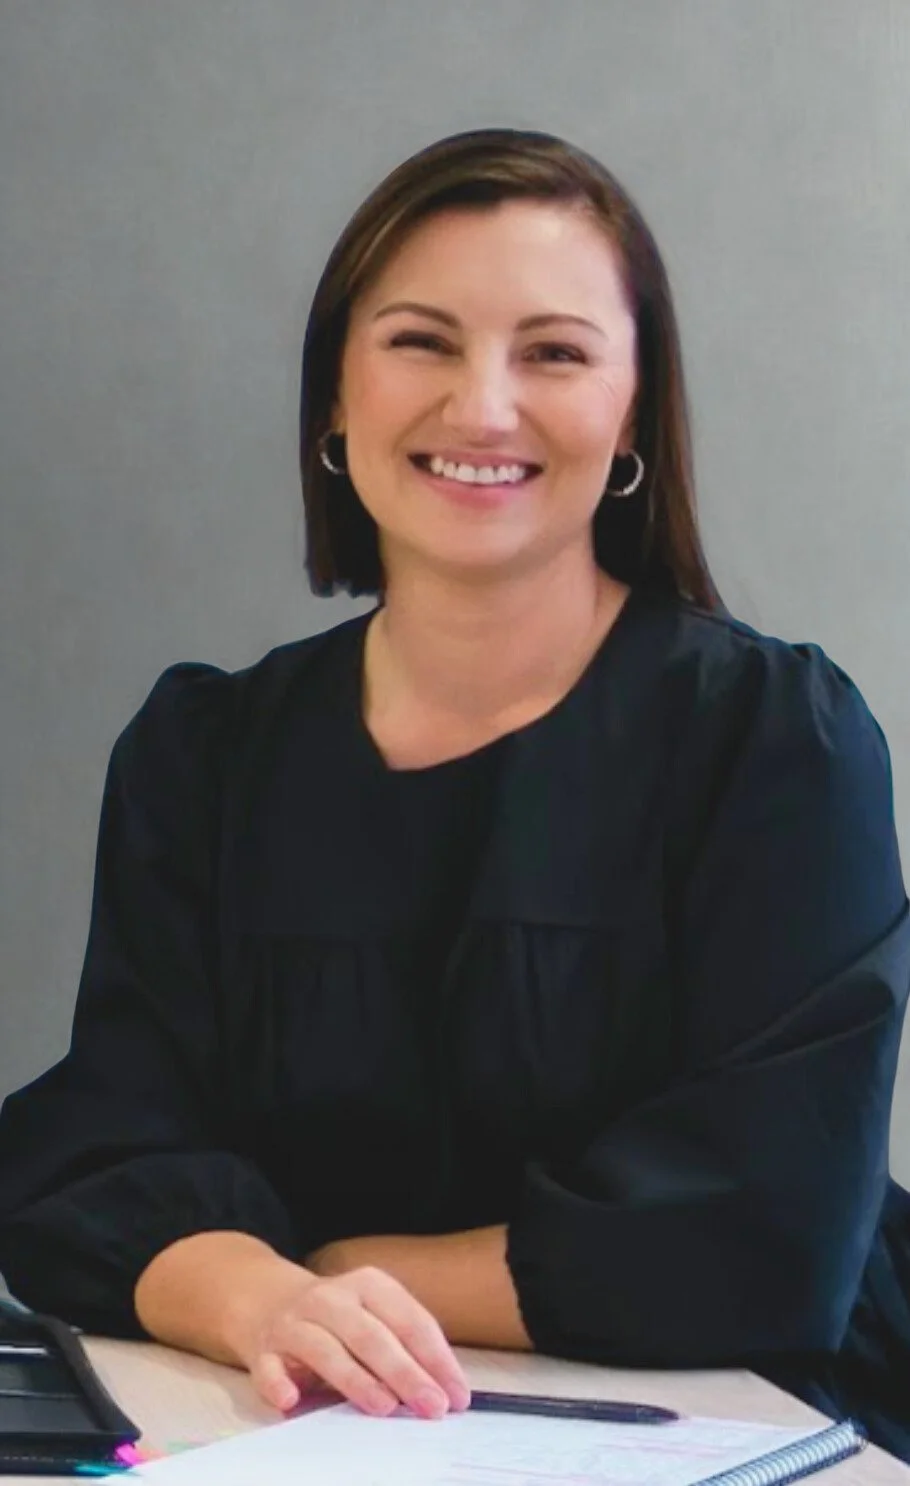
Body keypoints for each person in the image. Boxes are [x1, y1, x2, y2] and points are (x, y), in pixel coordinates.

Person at [1, 126, 909, 1459]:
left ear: (635, 411)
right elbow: (98, 1148)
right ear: (334, 395)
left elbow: (759, 1229)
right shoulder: (206, 756)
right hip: (299, 1429)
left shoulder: (774, 743)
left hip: (749, 1428)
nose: (482, 408)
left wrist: (329, 1268)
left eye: (554, 353)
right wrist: (259, 1296)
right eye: (421, 342)